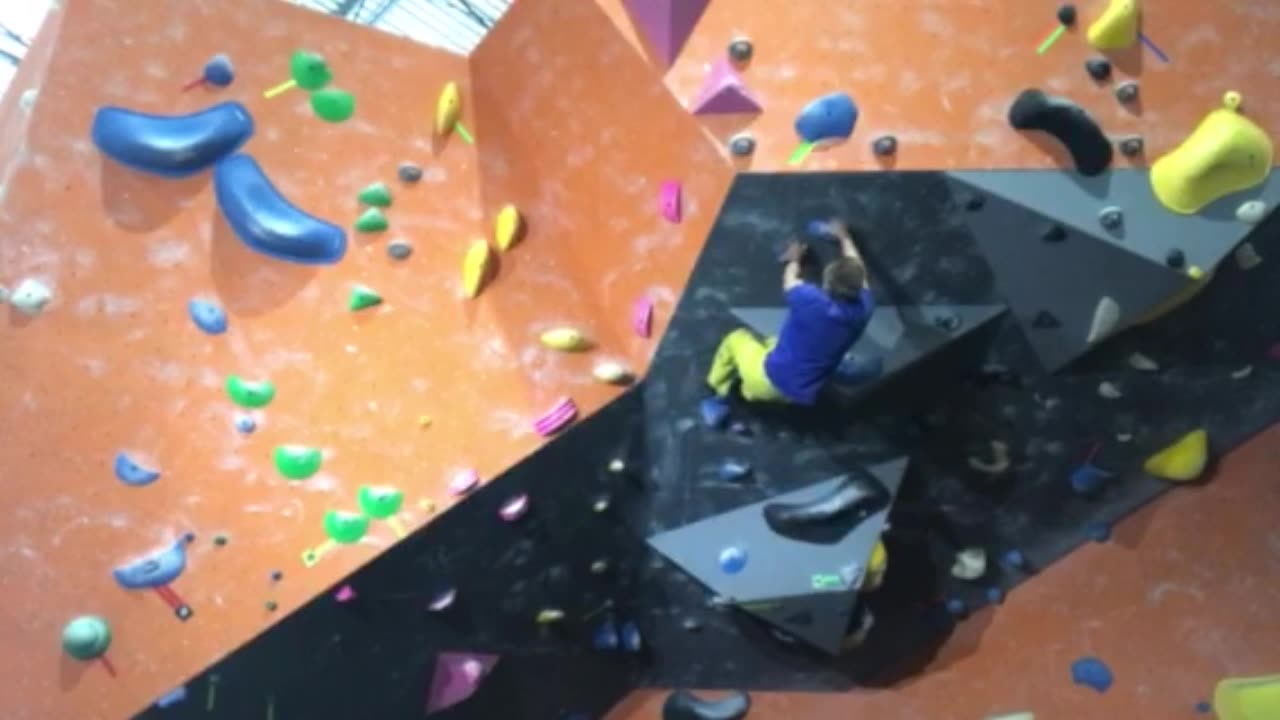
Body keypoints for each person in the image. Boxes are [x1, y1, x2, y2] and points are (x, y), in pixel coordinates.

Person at [704, 219, 876, 408]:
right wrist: (845, 238)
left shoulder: (809, 299)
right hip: (799, 394)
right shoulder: (865, 309)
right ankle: (747, 393)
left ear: (827, 284)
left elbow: (789, 280)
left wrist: (794, 259)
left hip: (766, 377)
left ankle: (717, 391)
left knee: (735, 339)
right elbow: (859, 269)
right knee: (772, 344)